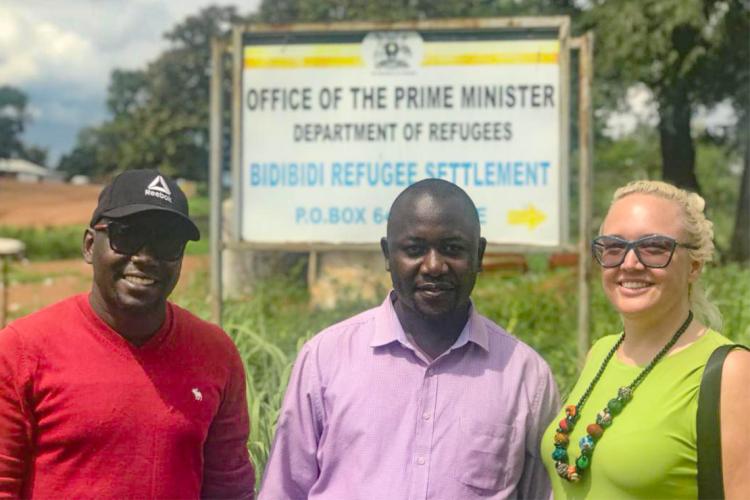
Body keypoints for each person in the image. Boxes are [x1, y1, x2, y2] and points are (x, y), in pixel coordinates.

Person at [259, 178, 559, 499]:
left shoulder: (524, 375)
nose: (433, 266)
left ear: (479, 255)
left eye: (452, 249)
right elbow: (284, 489)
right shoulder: (325, 358)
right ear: (388, 255)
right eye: (415, 250)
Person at [0, 169, 255, 498]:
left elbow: (229, 488)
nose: (145, 258)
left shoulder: (215, 353)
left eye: (166, 242)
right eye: (128, 235)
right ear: (90, 245)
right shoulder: (22, 349)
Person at [542, 180, 750, 498]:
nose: (630, 263)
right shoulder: (602, 352)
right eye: (613, 247)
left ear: (694, 265)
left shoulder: (732, 372)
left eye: (654, 248)